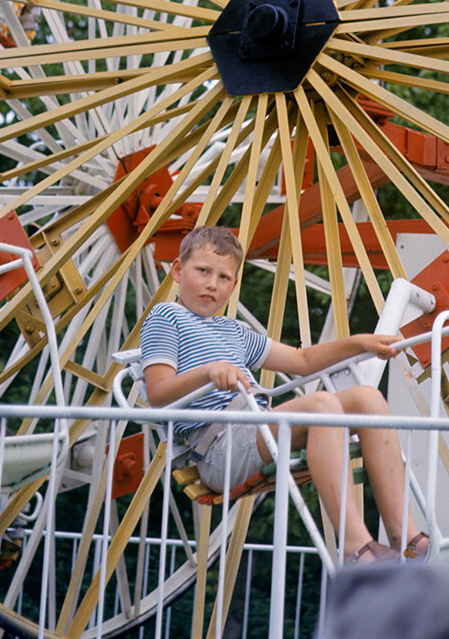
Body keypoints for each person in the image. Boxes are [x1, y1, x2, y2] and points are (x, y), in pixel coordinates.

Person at [140, 225, 430, 564]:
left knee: (367, 397)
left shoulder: (234, 330)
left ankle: (407, 539)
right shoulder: (165, 317)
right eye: (202, 271)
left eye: (223, 278)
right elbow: (157, 395)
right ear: (177, 270)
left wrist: (359, 342)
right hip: (218, 448)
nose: (211, 285)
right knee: (321, 405)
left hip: (256, 429)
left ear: (234, 286)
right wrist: (207, 371)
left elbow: (301, 360)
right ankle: (358, 547)